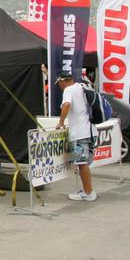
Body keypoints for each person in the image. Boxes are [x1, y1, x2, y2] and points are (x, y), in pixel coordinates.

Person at [54, 71, 96, 202]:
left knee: (82, 163)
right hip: (91, 130)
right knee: (85, 163)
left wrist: (61, 122)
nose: (59, 86)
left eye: (59, 83)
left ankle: (88, 193)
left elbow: (67, 104)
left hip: (79, 132)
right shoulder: (82, 86)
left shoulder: (69, 90)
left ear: (62, 81)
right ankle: (87, 190)